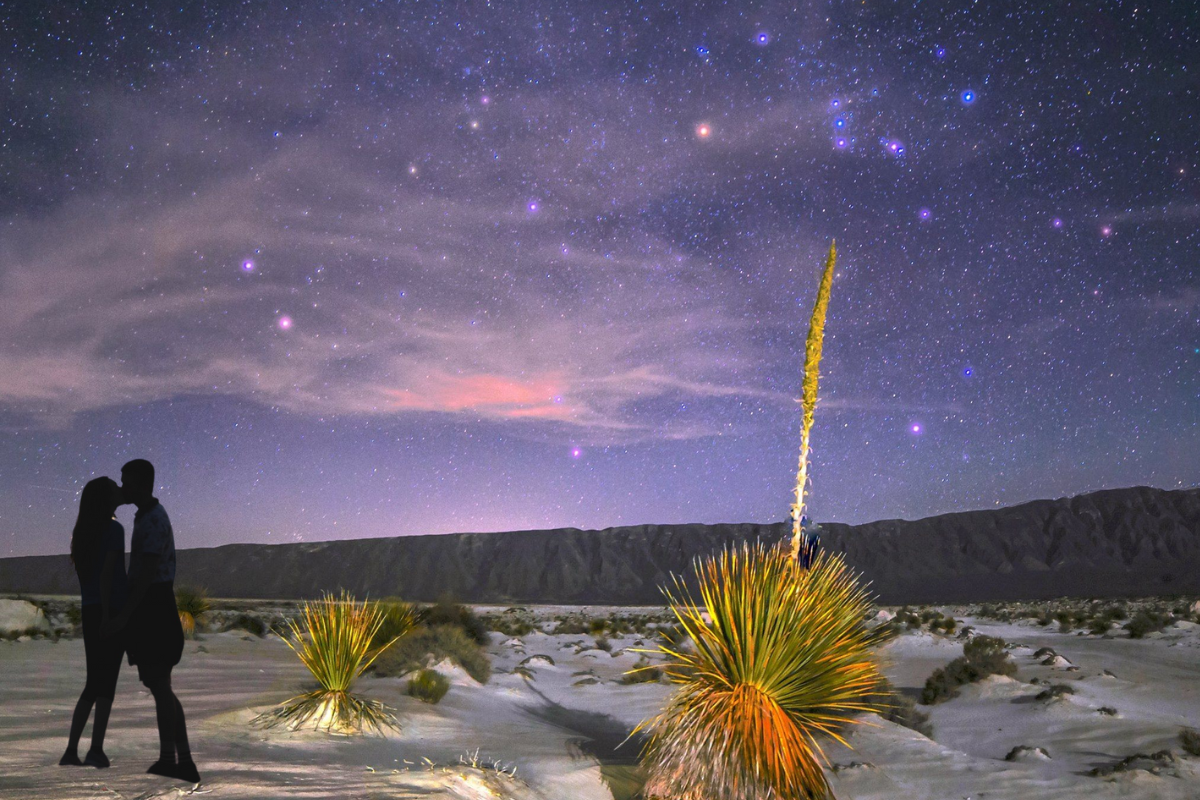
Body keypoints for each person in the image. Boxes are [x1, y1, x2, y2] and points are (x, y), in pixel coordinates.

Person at [104, 459, 199, 783]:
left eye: (126, 482)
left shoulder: (153, 519)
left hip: (154, 609)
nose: (122, 488)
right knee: (160, 687)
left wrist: (125, 616)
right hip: (153, 607)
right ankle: (172, 759)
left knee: (160, 687)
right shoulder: (147, 516)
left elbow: (145, 574)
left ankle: (180, 762)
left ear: (141, 484)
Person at [60, 476, 128, 768]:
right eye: (114, 490)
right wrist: (110, 616)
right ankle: (95, 749)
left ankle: (72, 749)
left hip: (90, 610)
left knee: (93, 682)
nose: (119, 493)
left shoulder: (83, 534)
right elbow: (110, 575)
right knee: (106, 683)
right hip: (108, 610)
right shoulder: (114, 530)